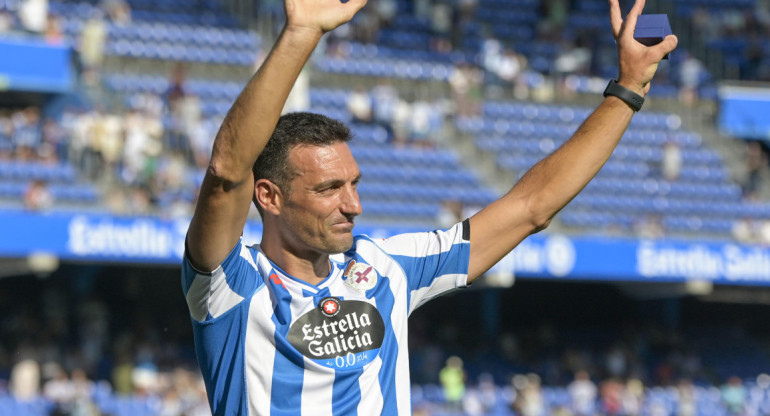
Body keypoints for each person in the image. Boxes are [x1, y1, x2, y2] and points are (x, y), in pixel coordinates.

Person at [181, 0, 677, 414]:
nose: (352, 204)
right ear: (268, 197)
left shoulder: (386, 267)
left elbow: (531, 206)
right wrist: (302, 33)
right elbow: (226, 172)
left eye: (354, 184)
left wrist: (628, 89)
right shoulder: (230, 284)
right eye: (329, 188)